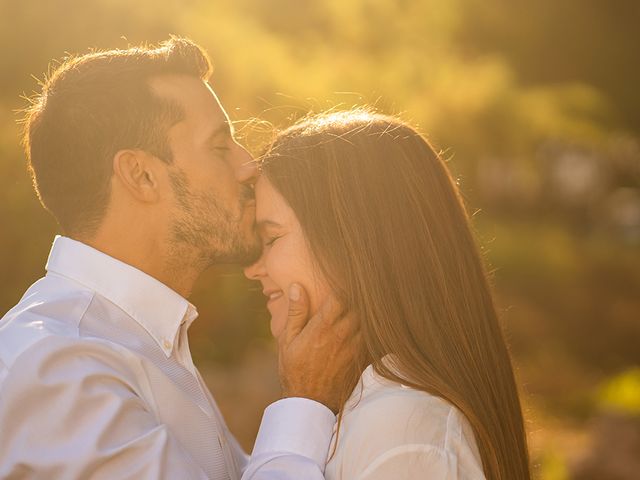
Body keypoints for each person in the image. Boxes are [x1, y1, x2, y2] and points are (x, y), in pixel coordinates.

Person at [0, 38, 357, 479]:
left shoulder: (141, 341)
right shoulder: (61, 369)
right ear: (142, 176)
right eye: (221, 146)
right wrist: (306, 399)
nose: (249, 165)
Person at [244, 109, 532, 479]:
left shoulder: (403, 429)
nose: (254, 268)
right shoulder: (379, 412)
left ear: (354, 244)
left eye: (271, 238)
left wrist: (302, 404)